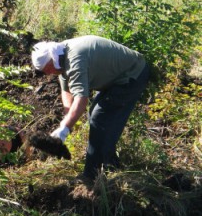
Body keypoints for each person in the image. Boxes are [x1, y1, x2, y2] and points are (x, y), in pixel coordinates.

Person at [31, 35, 150, 180]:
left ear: (52, 60)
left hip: (132, 74)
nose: (48, 74)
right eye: (45, 71)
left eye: (48, 69)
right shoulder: (60, 54)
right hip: (115, 78)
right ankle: (109, 163)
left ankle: (91, 175)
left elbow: (82, 99)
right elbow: (66, 90)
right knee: (96, 116)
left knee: (99, 119)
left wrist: (65, 128)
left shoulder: (74, 60)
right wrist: (67, 120)